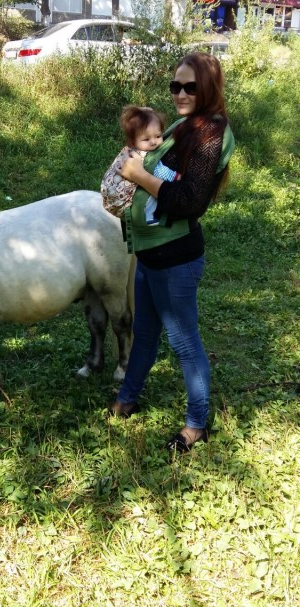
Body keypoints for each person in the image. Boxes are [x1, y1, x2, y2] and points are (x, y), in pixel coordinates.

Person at [110, 52, 235, 455]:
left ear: (208, 88)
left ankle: (196, 424)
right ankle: (127, 398)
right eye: (175, 86)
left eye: (190, 87)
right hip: (150, 256)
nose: (180, 93)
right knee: (144, 334)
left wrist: (139, 176)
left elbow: (190, 200)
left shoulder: (211, 130)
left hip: (176, 259)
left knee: (184, 344)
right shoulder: (184, 125)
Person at [101, 106, 180, 224]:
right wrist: (178, 177)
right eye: (146, 139)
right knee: (154, 192)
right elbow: (160, 172)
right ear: (133, 142)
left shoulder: (129, 151)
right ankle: (152, 219)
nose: (153, 142)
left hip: (113, 197)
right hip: (125, 200)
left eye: (158, 136)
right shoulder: (144, 157)